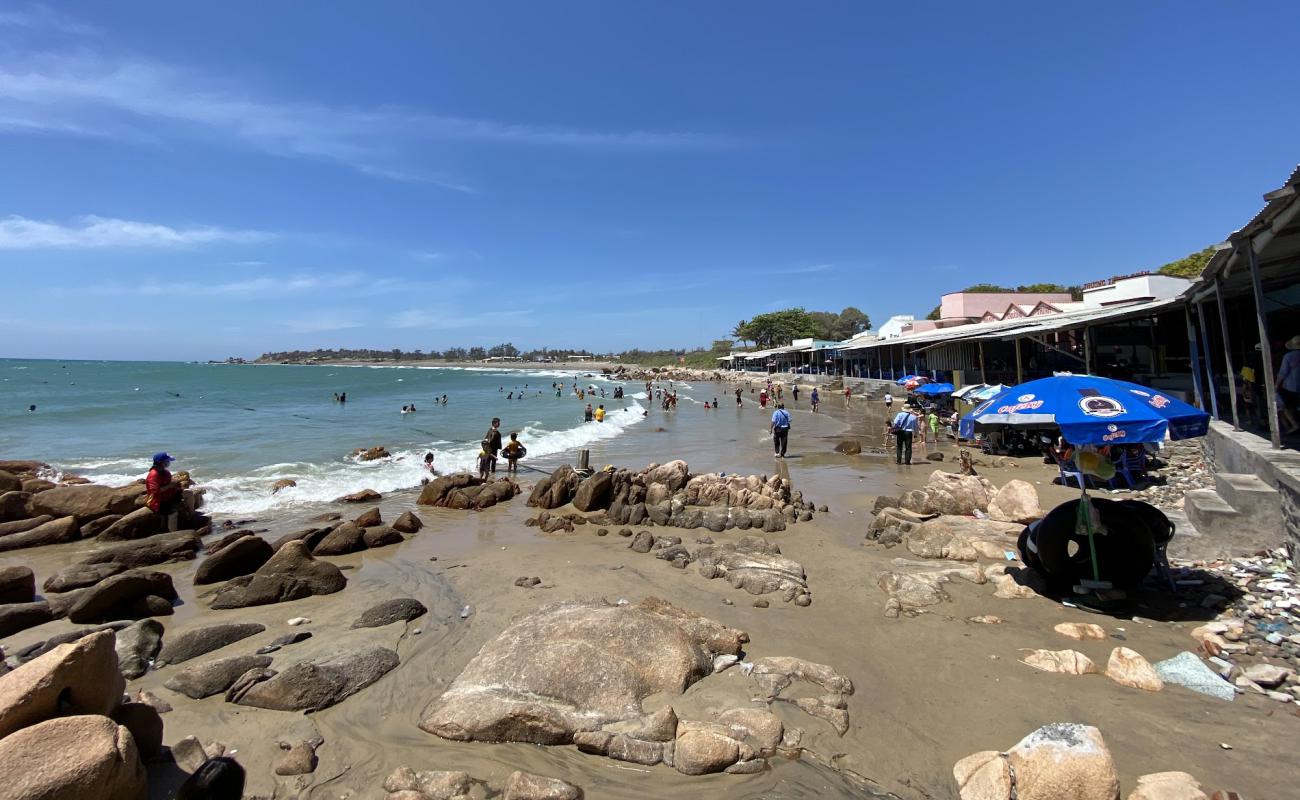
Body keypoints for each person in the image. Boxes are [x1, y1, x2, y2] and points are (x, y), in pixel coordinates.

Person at [146, 452, 183, 531]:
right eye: (167, 461)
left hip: (168, 496)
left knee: (188, 493)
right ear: (161, 462)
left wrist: (176, 486)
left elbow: (169, 484)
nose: (169, 463)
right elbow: (155, 491)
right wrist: (169, 486)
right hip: (157, 501)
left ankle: (191, 515)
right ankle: (173, 533)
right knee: (173, 513)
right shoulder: (153, 474)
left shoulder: (165, 472)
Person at [1277, 335, 1300, 434]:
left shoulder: (1289, 356)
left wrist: (1276, 385)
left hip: (1291, 386)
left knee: (1286, 407)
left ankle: (1294, 425)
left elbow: (1282, 372)